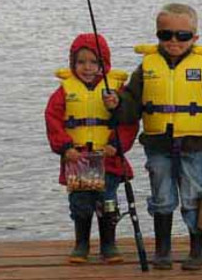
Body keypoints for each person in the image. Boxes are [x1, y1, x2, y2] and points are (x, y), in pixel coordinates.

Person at [103, 3, 202, 270]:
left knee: (193, 198)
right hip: (158, 146)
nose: (173, 41)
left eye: (182, 36)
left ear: (194, 38)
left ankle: (198, 250)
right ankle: (163, 250)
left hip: (194, 146)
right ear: (157, 35)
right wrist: (117, 103)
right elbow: (131, 103)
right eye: (166, 35)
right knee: (161, 197)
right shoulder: (147, 67)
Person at [45, 33, 138, 264]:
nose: (87, 68)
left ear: (103, 63)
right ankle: (81, 244)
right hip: (79, 159)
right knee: (80, 204)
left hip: (107, 159)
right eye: (81, 62)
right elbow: (52, 119)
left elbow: (129, 122)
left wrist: (116, 146)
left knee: (107, 203)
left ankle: (109, 245)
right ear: (72, 63)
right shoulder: (64, 91)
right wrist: (65, 147)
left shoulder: (116, 91)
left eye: (93, 62)